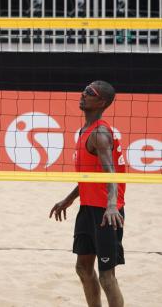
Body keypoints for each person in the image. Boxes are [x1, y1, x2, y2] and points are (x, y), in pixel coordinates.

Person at [50, 80, 126, 307]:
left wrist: (112, 205)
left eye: (89, 93)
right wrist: (70, 199)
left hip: (106, 213)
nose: (83, 94)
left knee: (107, 277)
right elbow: (90, 175)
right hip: (88, 208)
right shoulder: (85, 130)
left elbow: (110, 173)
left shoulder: (100, 133)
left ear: (101, 102)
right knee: (83, 268)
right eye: (84, 89)